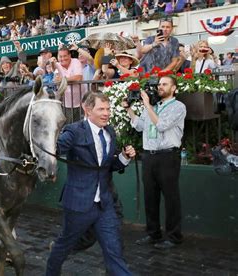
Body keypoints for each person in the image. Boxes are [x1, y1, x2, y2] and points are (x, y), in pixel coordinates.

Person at [46, 92, 136, 276]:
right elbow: (57, 149)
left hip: (104, 205)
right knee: (63, 247)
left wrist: (124, 158)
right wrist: (48, 145)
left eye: (108, 109)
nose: (106, 113)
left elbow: (107, 166)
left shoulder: (110, 132)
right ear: (87, 110)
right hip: (79, 204)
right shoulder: (74, 130)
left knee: (114, 252)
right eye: (101, 109)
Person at [123, 75, 186, 249]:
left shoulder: (178, 107)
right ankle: (153, 234)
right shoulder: (153, 106)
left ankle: (174, 237)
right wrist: (129, 109)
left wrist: (147, 105)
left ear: (173, 88)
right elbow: (140, 126)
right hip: (149, 156)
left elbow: (162, 125)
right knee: (150, 197)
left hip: (167, 156)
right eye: (159, 84)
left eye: (165, 84)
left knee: (171, 198)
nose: (160, 87)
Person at [51, 45, 85, 122]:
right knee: (69, 128)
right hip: (66, 104)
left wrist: (63, 80)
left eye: (65, 56)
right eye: (60, 56)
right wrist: (52, 63)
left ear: (69, 56)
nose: (63, 58)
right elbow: (55, 75)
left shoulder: (75, 61)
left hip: (81, 103)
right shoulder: (57, 65)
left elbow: (78, 77)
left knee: (81, 127)